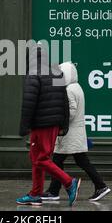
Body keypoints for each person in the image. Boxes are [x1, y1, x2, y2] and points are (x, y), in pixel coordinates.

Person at [16, 44, 81, 206]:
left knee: (40, 158)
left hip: (41, 124)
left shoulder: (33, 74)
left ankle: (68, 182)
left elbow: (29, 103)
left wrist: (24, 126)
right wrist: (63, 125)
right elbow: (64, 102)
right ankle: (35, 194)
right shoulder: (56, 72)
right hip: (53, 125)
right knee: (37, 158)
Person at [41, 61, 111, 202]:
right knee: (71, 161)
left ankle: (100, 186)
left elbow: (70, 112)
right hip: (74, 133)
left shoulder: (68, 90)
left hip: (68, 134)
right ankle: (54, 190)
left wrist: (58, 121)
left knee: (60, 161)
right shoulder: (77, 87)